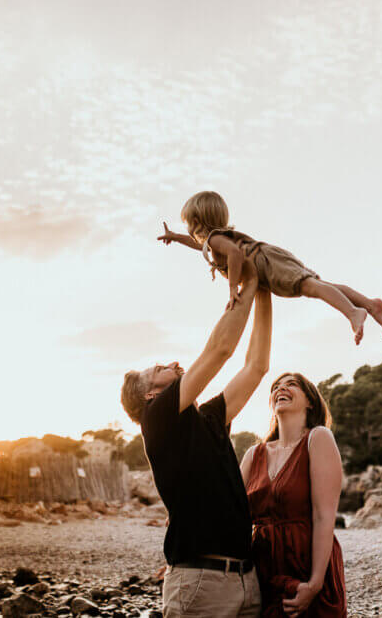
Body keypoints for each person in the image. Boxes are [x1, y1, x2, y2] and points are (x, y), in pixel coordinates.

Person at [120, 261, 272, 617]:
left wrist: (264, 292)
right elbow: (221, 349)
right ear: (149, 396)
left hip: (245, 580)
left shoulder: (207, 417)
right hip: (201, 583)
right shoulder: (156, 419)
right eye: (159, 368)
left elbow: (256, 367)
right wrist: (246, 286)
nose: (171, 363)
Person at [157, 190, 382, 345]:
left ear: (196, 222)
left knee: (310, 287)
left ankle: (352, 312)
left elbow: (235, 254)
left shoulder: (216, 241)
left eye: (187, 224)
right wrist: (176, 237)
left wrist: (232, 289)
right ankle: (370, 304)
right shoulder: (212, 242)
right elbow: (201, 247)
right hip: (270, 257)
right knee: (319, 285)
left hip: (265, 263)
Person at [239, 372, 347, 618]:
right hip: (263, 568)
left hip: (306, 563)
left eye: (291, 384)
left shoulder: (318, 438)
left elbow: (323, 515)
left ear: (310, 401)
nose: (281, 388)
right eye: (276, 386)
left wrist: (315, 584)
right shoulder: (253, 454)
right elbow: (232, 512)